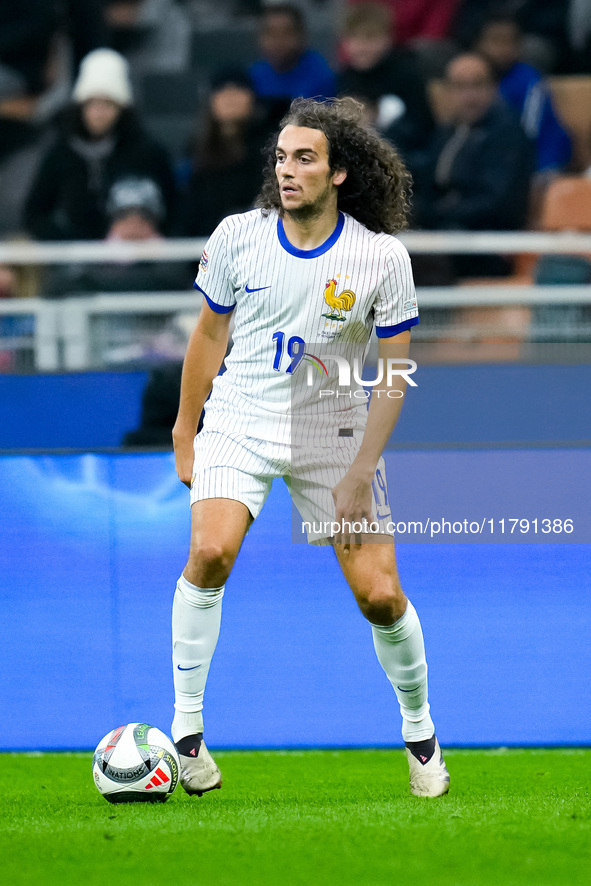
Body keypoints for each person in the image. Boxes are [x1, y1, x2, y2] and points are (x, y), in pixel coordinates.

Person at [169, 96, 450, 799]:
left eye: (303, 158)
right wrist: (185, 428)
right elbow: (207, 336)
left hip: (334, 431)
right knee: (208, 553)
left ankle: (420, 736)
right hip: (239, 417)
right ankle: (187, 735)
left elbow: (392, 377)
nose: (285, 170)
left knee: (381, 597)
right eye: (280, 157)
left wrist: (359, 474)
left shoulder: (380, 257)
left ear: (339, 174)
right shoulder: (239, 236)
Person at [24, 48, 175, 241]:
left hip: (137, 260)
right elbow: (35, 212)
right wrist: (67, 243)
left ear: (122, 108)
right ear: (81, 107)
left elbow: (173, 205)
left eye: (108, 104)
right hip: (75, 263)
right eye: (92, 103)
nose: (99, 112)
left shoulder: (148, 152)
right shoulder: (61, 153)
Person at [412, 52, 534, 278]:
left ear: (493, 88)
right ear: (448, 92)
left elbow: (497, 202)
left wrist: (438, 214)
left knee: (412, 261)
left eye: (477, 85)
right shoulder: (447, 133)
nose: (469, 96)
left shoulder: (508, 136)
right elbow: (427, 183)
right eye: (460, 86)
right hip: (445, 233)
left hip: (486, 243)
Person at [337, 2, 434, 172]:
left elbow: (422, 128)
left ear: (388, 38)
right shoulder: (346, 77)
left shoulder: (406, 74)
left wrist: (377, 117)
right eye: (354, 38)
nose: (362, 47)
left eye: (370, 38)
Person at [176, 69, 274, 237]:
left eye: (238, 90)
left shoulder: (272, 146)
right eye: (222, 90)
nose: (230, 97)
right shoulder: (195, 150)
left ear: (253, 98)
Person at [475, 15, 571, 175]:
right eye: (495, 41)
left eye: (509, 42)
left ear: (519, 46)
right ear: (479, 44)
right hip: (500, 160)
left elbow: (529, 132)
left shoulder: (530, 80)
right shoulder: (480, 77)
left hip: (543, 160)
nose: (502, 49)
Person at [248, 4, 336, 109]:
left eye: (286, 33)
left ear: (302, 37)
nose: (278, 42)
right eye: (270, 33)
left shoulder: (323, 75)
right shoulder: (253, 75)